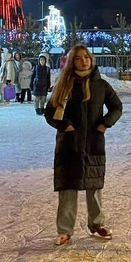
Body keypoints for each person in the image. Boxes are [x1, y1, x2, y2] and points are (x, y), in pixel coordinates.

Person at [45, 44, 123, 246]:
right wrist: (65, 125)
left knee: (94, 185)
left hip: (93, 142)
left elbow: (116, 107)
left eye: (86, 57)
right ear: (72, 62)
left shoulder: (101, 85)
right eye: (78, 58)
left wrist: (105, 123)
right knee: (68, 187)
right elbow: (50, 112)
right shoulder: (64, 84)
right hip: (69, 144)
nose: (83, 61)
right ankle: (65, 230)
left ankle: (97, 224)